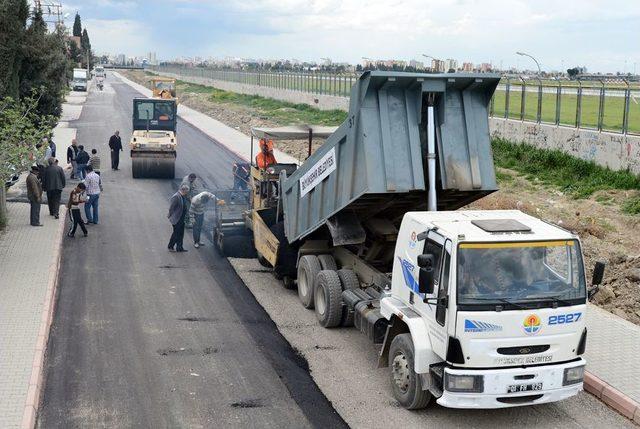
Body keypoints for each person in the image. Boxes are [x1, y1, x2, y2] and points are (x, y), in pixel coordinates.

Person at [167, 185, 190, 252]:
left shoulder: (182, 196)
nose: (187, 193)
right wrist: (170, 215)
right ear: (184, 190)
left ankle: (179, 248)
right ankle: (170, 246)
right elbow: (172, 207)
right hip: (177, 219)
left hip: (181, 218)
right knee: (176, 233)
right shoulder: (176, 196)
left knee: (181, 234)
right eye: (187, 191)